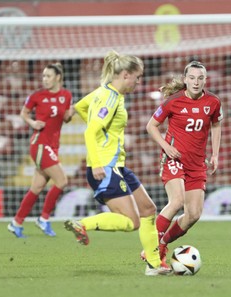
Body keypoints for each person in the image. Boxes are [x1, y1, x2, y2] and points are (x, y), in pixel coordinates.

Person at [64, 50, 171, 276]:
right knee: (131, 221)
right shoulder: (110, 98)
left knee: (148, 209)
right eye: (137, 77)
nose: (139, 82)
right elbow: (91, 131)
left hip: (117, 166)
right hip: (105, 167)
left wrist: (100, 132)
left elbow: (80, 108)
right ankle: (83, 225)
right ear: (125, 74)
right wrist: (96, 163)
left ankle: (155, 265)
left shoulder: (104, 94)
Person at [145, 60, 223, 265]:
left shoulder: (213, 102)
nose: (196, 82)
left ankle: (163, 243)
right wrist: (166, 146)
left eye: (200, 78)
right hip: (174, 159)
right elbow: (151, 126)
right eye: (192, 78)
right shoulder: (174, 101)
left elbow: (216, 125)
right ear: (185, 79)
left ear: (205, 80)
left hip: (197, 164)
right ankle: (153, 249)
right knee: (177, 201)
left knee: (193, 215)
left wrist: (215, 154)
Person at [7, 63, 73, 238]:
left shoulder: (66, 95)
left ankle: (16, 222)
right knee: (62, 181)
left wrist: (73, 111)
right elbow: (24, 113)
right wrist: (33, 123)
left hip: (53, 145)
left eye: (48, 76)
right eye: (43, 76)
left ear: (58, 77)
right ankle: (44, 218)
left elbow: (66, 118)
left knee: (36, 187)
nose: (45, 79)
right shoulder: (37, 96)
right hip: (40, 144)